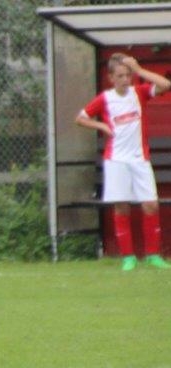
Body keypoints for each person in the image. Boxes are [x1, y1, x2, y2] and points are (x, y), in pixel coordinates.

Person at [75, 53, 171, 271]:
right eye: (120, 76)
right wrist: (101, 126)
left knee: (151, 204)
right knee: (121, 207)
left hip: (140, 159)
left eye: (128, 75)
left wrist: (139, 70)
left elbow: (166, 85)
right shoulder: (105, 99)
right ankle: (128, 257)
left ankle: (153, 255)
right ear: (111, 78)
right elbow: (80, 118)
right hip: (116, 160)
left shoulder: (139, 92)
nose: (125, 80)